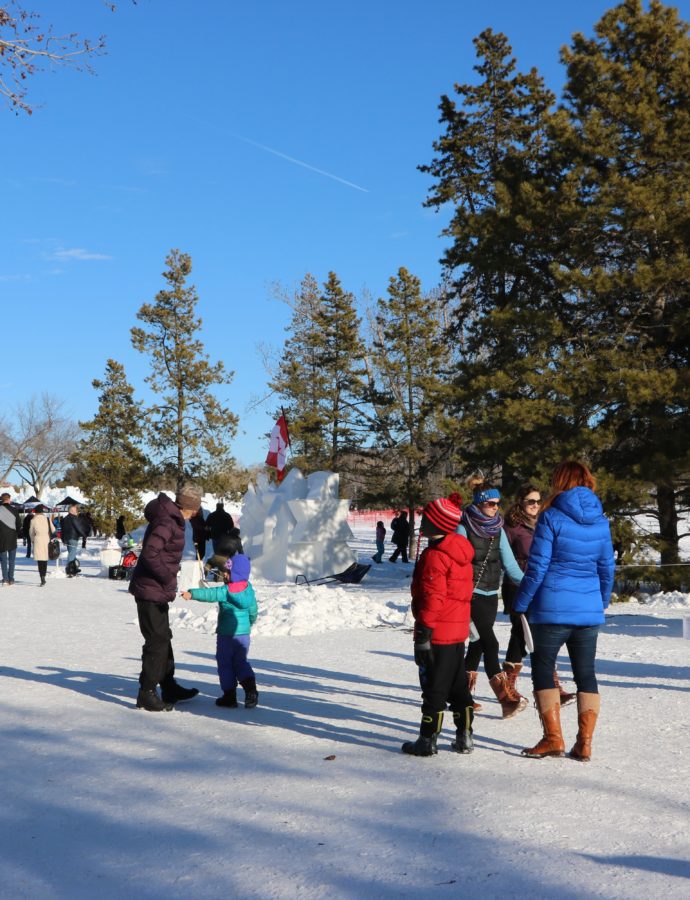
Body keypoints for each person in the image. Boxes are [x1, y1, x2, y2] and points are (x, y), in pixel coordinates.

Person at [513, 461, 615, 761]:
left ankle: (553, 738)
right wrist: (601, 600)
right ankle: (584, 743)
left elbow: (538, 567)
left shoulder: (551, 516)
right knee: (586, 674)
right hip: (588, 610)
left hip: (552, 608)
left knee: (543, 669)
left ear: (560, 481)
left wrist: (520, 603)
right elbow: (606, 567)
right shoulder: (600, 520)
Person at [402, 494, 475, 756]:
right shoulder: (459, 549)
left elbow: (434, 598)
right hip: (456, 631)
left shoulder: (436, 556)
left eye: (426, 517)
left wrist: (423, 633)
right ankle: (465, 736)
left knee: (434, 687)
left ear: (437, 523)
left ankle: (427, 740)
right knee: (457, 685)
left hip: (439, 632)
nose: (422, 520)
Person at [128, 483, 204, 712]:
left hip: (156, 589)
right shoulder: (167, 521)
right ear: (191, 507)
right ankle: (147, 692)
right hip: (150, 588)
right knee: (157, 640)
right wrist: (167, 577)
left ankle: (168, 684)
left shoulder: (172, 520)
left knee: (163, 637)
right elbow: (150, 554)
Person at [457, 480, 526, 718]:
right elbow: (456, 564)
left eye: (498, 504)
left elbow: (510, 564)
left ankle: (462, 697)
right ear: (479, 503)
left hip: (489, 595)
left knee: (476, 645)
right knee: (491, 643)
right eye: (490, 503)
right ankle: (506, 700)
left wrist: (532, 583)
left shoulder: (498, 529)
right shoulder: (463, 528)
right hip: (470, 595)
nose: (495, 508)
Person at [503, 484, 575, 707]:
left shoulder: (545, 523)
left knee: (541, 634)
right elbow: (505, 559)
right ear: (520, 502)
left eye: (537, 501)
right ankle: (509, 685)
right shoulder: (512, 527)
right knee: (522, 633)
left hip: (543, 587)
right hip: (518, 586)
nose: (535, 505)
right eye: (530, 501)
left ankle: (549, 685)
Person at [181, 553, 259, 709]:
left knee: (225, 664)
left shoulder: (226, 590)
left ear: (236, 575)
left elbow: (209, 594)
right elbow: (253, 612)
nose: (224, 573)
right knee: (241, 662)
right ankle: (251, 690)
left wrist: (192, 594)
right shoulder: (249, 590)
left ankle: (229, 696)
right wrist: (248, 625)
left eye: (228, 572)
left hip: (226, 636)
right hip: (243, 635)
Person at [29, 505, 55, 586]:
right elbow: (53, 529)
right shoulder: (47, 519)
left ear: (36, 512)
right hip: (46, 539)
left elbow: (31, 532)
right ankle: (44, 575)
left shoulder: (33, 520)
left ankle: (42, 578)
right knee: (45, 559)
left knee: (40, 560)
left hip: (38, 539)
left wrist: (33, 540)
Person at [61, 504, 88, 577]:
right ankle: (69, 570)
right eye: (76, 510)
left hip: (67, 539)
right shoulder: (74, 518)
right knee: (71, 555)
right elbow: (78, 527)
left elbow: (62, 531)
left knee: (72, 553)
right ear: (72, 511)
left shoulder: (64, 519)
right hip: (73, 538)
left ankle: (74, 567)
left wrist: (63, 540)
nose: (77, 512)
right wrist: (84, 535)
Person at [0, 492, 20, 586]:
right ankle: (11, 579)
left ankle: (5, 579)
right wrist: (16, 533)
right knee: (12, 560)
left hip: (1, 539)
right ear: (8, 499)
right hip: (12, 538)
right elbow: (19, 525)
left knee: (3, 560)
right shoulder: (15, 510)